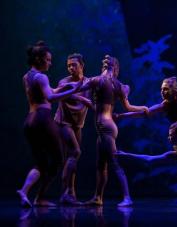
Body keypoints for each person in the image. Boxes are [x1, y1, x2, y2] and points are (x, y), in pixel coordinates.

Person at [17, 41, 82, 207]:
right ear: (38, 59)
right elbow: (50, 98)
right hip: (42, 119)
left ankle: (25, 191)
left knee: (41, 163)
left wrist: (64, 87)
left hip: (29, 120)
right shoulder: (42, 76)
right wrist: (74, 90)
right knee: (59, 159)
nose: (50, 63)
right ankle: (39, 197)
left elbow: (49, 91)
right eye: (47, 59)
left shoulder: (27, 76)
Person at [80, 55, 148, 206]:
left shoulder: (97, 80)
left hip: (106, 127)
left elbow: (78, 88)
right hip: (104, 129)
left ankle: (127, 198)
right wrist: (141, 109)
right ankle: (98, 197)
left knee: (114, 163)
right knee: (100, 165)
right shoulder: (117, 85)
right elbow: (129, 107)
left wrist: (56, 91)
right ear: (115, 68)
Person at [54, 53, 93, 205]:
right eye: (69, 65)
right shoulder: (64, 82)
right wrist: (82, 98)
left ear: (82, 66)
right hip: (63, 122)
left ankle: (72, 192)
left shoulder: (88, 82)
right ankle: (65, 193)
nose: (71, 68)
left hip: (78, 124)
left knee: (73, 159)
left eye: (74, 65)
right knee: (74, 153)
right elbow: (60, 94)